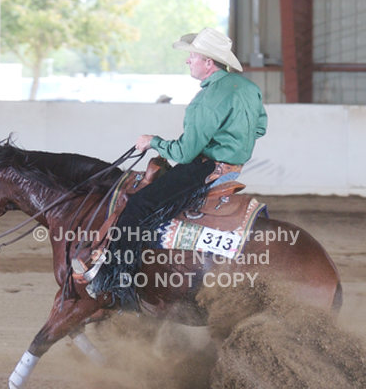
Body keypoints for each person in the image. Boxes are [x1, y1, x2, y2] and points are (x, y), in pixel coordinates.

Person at [86, 27, 268, 305]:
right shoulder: (248, 88)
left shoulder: (206, 100)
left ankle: (117, 282)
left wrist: (153, 142)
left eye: (192, 56)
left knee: (138, 206)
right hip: (232, 167)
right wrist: (232, 139)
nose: (187, 61)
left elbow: (184, 153)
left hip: (205, 168)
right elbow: (260, 128)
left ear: (208, 62)